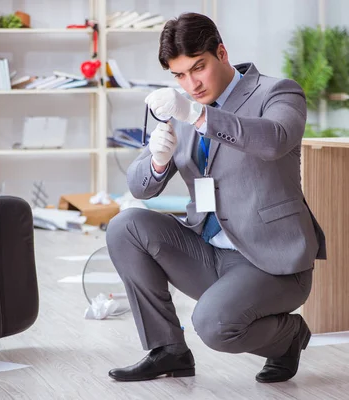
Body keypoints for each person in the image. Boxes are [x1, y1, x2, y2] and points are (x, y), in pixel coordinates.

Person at [105, 12, 326, 383]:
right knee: (124, 226)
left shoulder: (277, 92)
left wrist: (198, 116)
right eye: (178, 75)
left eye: (198, 68)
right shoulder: (180, 109)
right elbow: (141, 188)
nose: (191, 84)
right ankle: (168, 350)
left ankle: (288, 337)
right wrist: (158, 161)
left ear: (221, 53)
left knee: (213, 325)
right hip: (209, 252)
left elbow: (273, 139)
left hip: (273, 262)